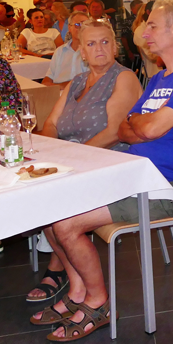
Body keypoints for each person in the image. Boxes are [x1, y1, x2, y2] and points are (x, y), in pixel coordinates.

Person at [34, 1, 173, 343]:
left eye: (153, 26)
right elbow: (125, 128)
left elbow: (147, 129)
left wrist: (140, 124)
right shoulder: (159, 78)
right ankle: (77, 292)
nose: (145, 34)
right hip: (133, 174)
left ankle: (97, 303)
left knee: (67, 224)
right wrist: (140, 124)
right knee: (50, 206)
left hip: (165, 186)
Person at [26, 19, 142, 305]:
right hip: (75, 165)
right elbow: (51, 123)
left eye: (105, 42)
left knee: (51, 205)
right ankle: (75, 281)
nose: (99, 48)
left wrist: (71, 160)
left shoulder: (123, 78)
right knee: (40, 202)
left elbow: (114, 132)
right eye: (91, 43)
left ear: (115, 47)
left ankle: (73, 282)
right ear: (82, 52)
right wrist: (51, 153)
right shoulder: (77, 82)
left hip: (110, 164)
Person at [42, 11, 90, 87]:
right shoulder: (60, 51)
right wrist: (45, 86)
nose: (82, 28)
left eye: (85, 25)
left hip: (81, 92)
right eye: (78, 25)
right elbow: (50, 75)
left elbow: (89, 81)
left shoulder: (92, 51)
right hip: (56, 90)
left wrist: (59, 86)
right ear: (69, 28)